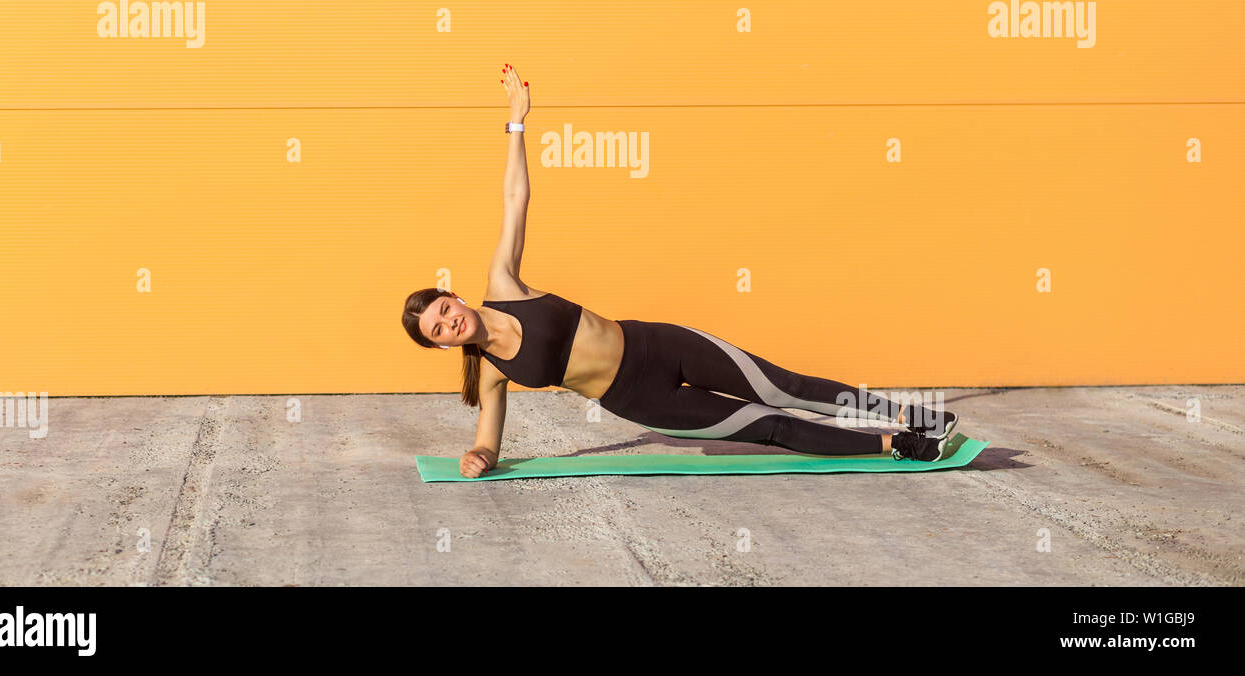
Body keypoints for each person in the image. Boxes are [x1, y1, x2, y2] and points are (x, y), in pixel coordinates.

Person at [401, 64, 958, 478]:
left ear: (455, 298)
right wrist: (479, 456)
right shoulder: (494, 372)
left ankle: (918, 417)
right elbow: (488, 444)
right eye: (438, 330)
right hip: (642, 399)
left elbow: (516, 200)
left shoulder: (503, 285)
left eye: (443, 309)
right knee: (770, 427)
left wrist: (516, 125)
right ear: (444, 346)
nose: (448, 322)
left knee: (786, 386)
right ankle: (898, 445)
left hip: (657, 343)